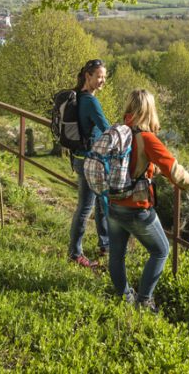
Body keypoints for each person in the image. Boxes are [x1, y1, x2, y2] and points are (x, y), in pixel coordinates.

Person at [107, 89, 189, 312]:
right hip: (136, 208)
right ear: (149, 110)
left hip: (113, 203)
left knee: (117, 255)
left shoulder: (119, 131)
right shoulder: (147, 138)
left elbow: (134, 165)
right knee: (161, 250)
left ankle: (124, 297)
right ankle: (144, 301)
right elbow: (174, 169)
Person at [68, 59, 110, 267]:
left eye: (104, 76)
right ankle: (75, 254)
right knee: (85, 208)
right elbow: (106, 128)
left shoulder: (78, 96)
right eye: (99, 76)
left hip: (81, 157)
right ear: (88, 76)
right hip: (88, 161)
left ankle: (106, 244)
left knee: (102, 201)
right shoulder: (90, 101)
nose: (102, 81)